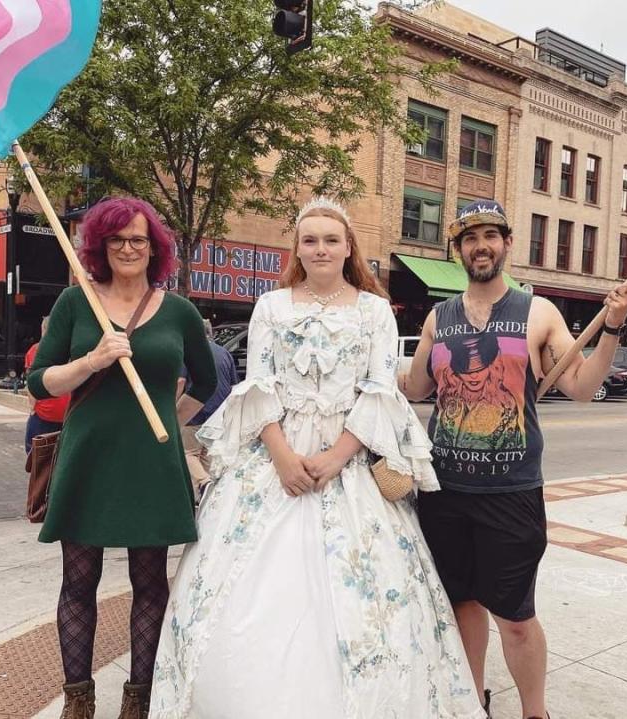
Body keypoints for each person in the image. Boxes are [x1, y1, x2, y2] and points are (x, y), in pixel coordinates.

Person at [150, 198, 484, 719]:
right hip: (273, 460)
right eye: (311, 240)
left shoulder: (375, 311)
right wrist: (282, 457)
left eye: (332, 239)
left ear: (349, 247)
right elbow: (256, 387)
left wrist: (336, 457)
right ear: (298, 249)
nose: (321, 248)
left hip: (348, 464)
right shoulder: (271, 305)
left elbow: (379, 392)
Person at [401, 200, 627, 719]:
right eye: (469, 238)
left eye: (490, 235)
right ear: (458, 250)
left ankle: (535, 712)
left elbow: (579, 387)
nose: (480, 245)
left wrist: (614, 327)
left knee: (514, 616)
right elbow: (417, 387)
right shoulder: (438, 318)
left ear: (507, 244)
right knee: (462, 605)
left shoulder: (537, 312)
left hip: (510, 493)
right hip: (443, 491)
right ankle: (473, 701)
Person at [26, 197, 217, 719]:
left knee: (150, 583)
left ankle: (138, 698)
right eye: (117, 239)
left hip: (151, 464)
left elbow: (208, 380)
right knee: (79, 581)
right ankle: (78, 700)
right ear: (100, 246)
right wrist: (91, 360)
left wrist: (169, 422)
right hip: (89, 457)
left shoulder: (179, 310)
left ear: (154, 247)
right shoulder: (74, 303)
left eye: (139, 239)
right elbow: (38, 380)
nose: (128, 248)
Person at [175, 318, 239, 497]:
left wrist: (172, 411)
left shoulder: (190, 353)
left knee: (189, 453)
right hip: (219, 415)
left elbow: (180, 381)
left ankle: (204, 483)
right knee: (208, 456)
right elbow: (234, 385)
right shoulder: (224, 353)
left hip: (193, 412)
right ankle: (208, 495)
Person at [24, 316, 71, 453]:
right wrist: (32, 407)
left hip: (55, 414)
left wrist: (32, 407)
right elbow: (31, 380)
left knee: (38, 457)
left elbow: (30, 379)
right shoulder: (36, 350)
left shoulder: (36, 350)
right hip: (50, 414)